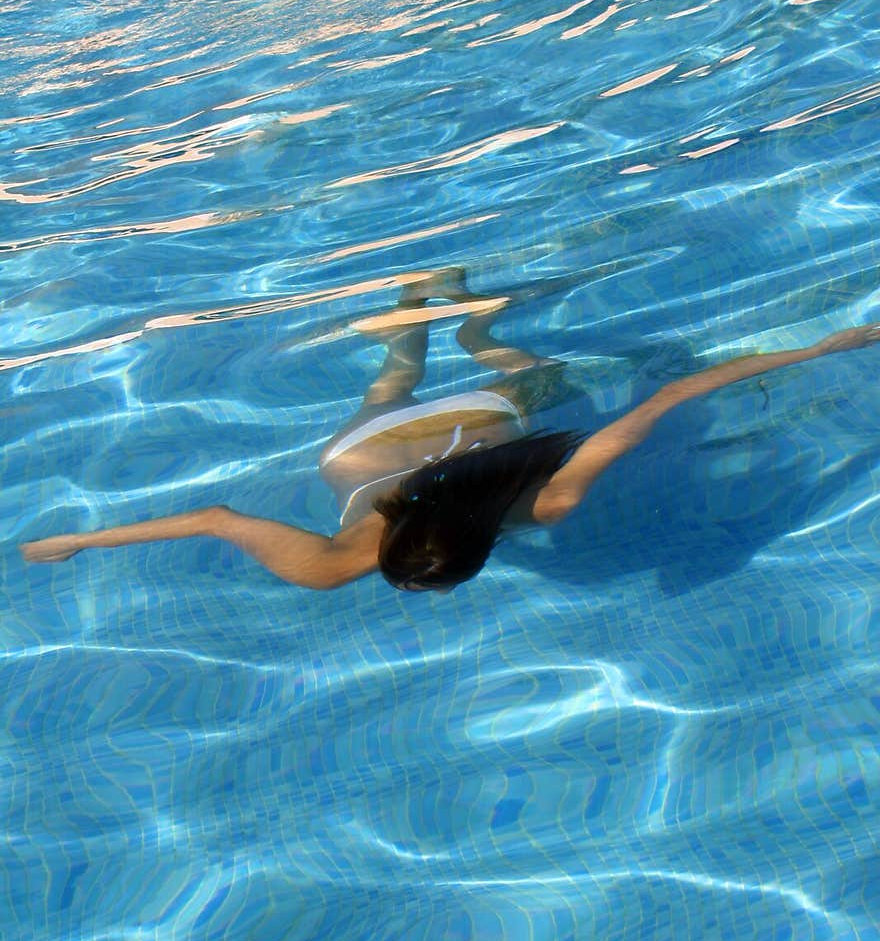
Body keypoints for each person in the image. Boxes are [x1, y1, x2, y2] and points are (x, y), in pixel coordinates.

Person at [19, 268, 879, 593]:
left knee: (532, 382)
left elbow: (670, 397)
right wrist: (77, 541)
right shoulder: (331, 565)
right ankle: (447, 314)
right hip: (355, 463)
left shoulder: (555, 503)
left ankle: (449, 309)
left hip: (449, 438)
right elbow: (213, 518)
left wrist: (819, 348)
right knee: (409, 383)